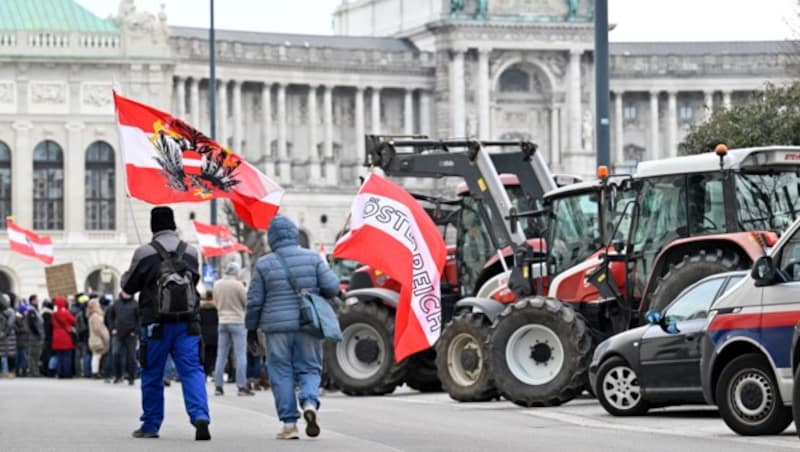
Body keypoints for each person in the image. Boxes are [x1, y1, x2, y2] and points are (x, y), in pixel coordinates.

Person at [246, 215, 340, 440]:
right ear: (294, 235)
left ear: (272, 238)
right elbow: (332, 288)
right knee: (309, 367)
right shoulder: (313, 258)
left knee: (280, 372)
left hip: (276, 327)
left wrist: (251, 328)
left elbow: (254, 301)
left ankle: (289, 424)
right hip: (308, 323)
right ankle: (309, 403)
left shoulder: (264, 264)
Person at [121, 206, 210, 441]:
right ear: (173, 224)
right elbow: (195, 280)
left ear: (153, 226)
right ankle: (200, 417)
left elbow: (128, 287)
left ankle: (150, 425)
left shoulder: (145, 252)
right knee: (192, 371)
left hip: (156, 324)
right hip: (188, 323)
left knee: (152, 372)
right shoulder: (190, 251)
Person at [213, 261, 253, 396]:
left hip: (222, 320)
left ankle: (218, 386)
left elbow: (216, 301)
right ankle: (241, 386)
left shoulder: (217, 284)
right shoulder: (238, 285)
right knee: (240, 355)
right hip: (237, 321)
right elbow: (245, 303)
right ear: (236, 272)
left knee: (221, 354)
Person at [108, 292, 140, 385]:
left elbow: (139, 318)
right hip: (117, 332)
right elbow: (110, 317)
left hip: (131, 333)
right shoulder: (116, 303)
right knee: (115, 353)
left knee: (131, 357)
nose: (126, 294)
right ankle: (118, 375)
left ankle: (131, 377)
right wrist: (112, 328)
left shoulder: (135, 304)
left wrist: (136, 331)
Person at [51, 296, 76, 379]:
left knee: (59, 356)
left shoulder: (54, 314)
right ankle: (67, 373)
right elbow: (73, 321)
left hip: (56, 336)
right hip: (66, 336)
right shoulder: (65, 312)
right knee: (67, 356)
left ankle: (60, 372)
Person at [87, 299, 110, 378]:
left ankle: (96, 371)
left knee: (97, 355)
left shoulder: (91, 315)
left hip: (94, 337)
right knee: (97, 355)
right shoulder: (95, 316)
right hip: (98, 338)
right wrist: (105, 336)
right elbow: (99, 328)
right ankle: (96, 372)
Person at [198, 291, 218, 377]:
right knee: (213, 354)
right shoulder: (216, 308)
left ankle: (205, 371)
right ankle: (211, 369)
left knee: (204, 354)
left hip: (204, 333)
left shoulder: (201, 309)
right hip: (215, 334)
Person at [26, 295, 44, 377]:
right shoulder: (31, 311)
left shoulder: (35, 310)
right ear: (33, 301)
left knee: (36, 355)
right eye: (37, 300)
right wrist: (37, 333)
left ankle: (35, 371)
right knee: (33, 355)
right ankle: (33, 372)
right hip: (34, 337)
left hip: (36, 336)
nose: (38, 301)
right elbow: (32, 324)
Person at [0, 293, 17, 378]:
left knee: (2, 354)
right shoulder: (11, 311)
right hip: (9, 336)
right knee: (10, 354)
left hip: (2, 334)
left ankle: (2, 371)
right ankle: (10, 371)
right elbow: (10, 324)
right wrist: (6, 333)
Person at [14, 303, 31, 377]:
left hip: (25, 340)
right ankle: (19, 371)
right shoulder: (17, 318)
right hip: (20, 341)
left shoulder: (24, 318)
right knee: (21, 356)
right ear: (22, 311)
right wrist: (25, 330)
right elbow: (17, 329)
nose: (27, 312)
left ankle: (22, 370)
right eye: (25, 310)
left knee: (23, 356)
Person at [40, 300, 55, 377]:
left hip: (45, 338)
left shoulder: (43, 314)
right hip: (49, 338)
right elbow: (48, 328)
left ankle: (45, 370)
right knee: (48, 355)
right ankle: (47, 371)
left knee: (45, 354)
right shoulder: (48, 315)